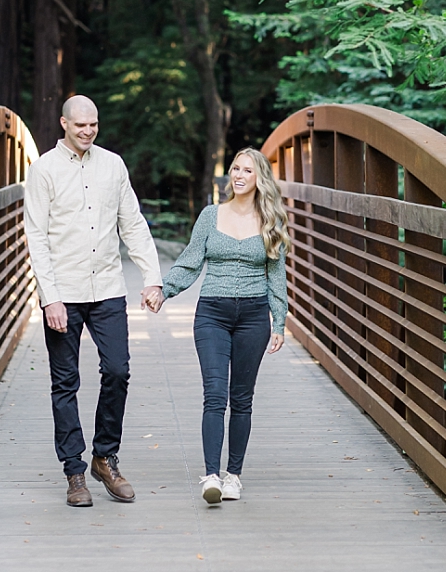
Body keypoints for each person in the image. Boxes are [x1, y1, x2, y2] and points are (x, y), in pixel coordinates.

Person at [23, 95, 164, 508]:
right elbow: (37, 238)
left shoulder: (112, 165)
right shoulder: (44, 169)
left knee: (118, 370)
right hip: (63, 293)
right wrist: (50, 298)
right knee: (65, 383)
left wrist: (152, 278)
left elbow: (132, 223)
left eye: (93, 125)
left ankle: (105, 456)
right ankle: (74, 471)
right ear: (64, 123)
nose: (87, 131)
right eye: (80, 125)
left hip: (107, 288)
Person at [161, 147, 289, 506]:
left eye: (247, 170)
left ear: (258, 177)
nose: (239, 175)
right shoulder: (210, 216)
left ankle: (234, 475)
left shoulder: (270, 222)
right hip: (212, 314)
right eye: (235, 168)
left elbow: (276, 276)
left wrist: (279, 321)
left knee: (242, 399)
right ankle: (211, 477)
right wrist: (164, 290)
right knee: (215, 395)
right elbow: (189, 263)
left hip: (253, 316)